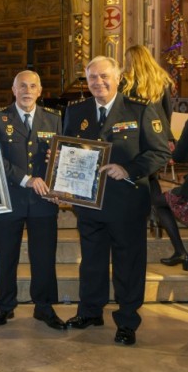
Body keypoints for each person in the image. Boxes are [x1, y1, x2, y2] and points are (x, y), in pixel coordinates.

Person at [63, 56, 170, 346]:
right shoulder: (76, 112)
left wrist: (129, 170)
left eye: (104, 76)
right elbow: (69, 150)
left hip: (126, 202)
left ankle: (126, 321)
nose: (98, 82)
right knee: (92, 262)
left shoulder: (140, 109)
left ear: (118, 78)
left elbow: (160, 152)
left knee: (128, 263)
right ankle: (90, 311)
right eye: (92, 78)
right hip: (88, 202)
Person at [0, 71, 66, 330]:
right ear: (13, 88)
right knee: (6, 256)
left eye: (32, 86)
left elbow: (61, 157)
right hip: (10, 198)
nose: (27, 90)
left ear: (40, 90)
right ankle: (5, 306)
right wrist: (27, 179)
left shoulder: (53, 118)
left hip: (44, 201)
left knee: (44, 257)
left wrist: (60, 185)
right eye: (22, 86)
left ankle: (44, 307)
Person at [121, 45, 187, 267]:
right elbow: (168, 115)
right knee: (156, 197)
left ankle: (178, 250)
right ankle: (180, 250)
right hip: (158, 143)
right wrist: (165, 141)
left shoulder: (126, 82)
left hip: (135, 145)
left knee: (150, 197)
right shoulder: (162, 80)